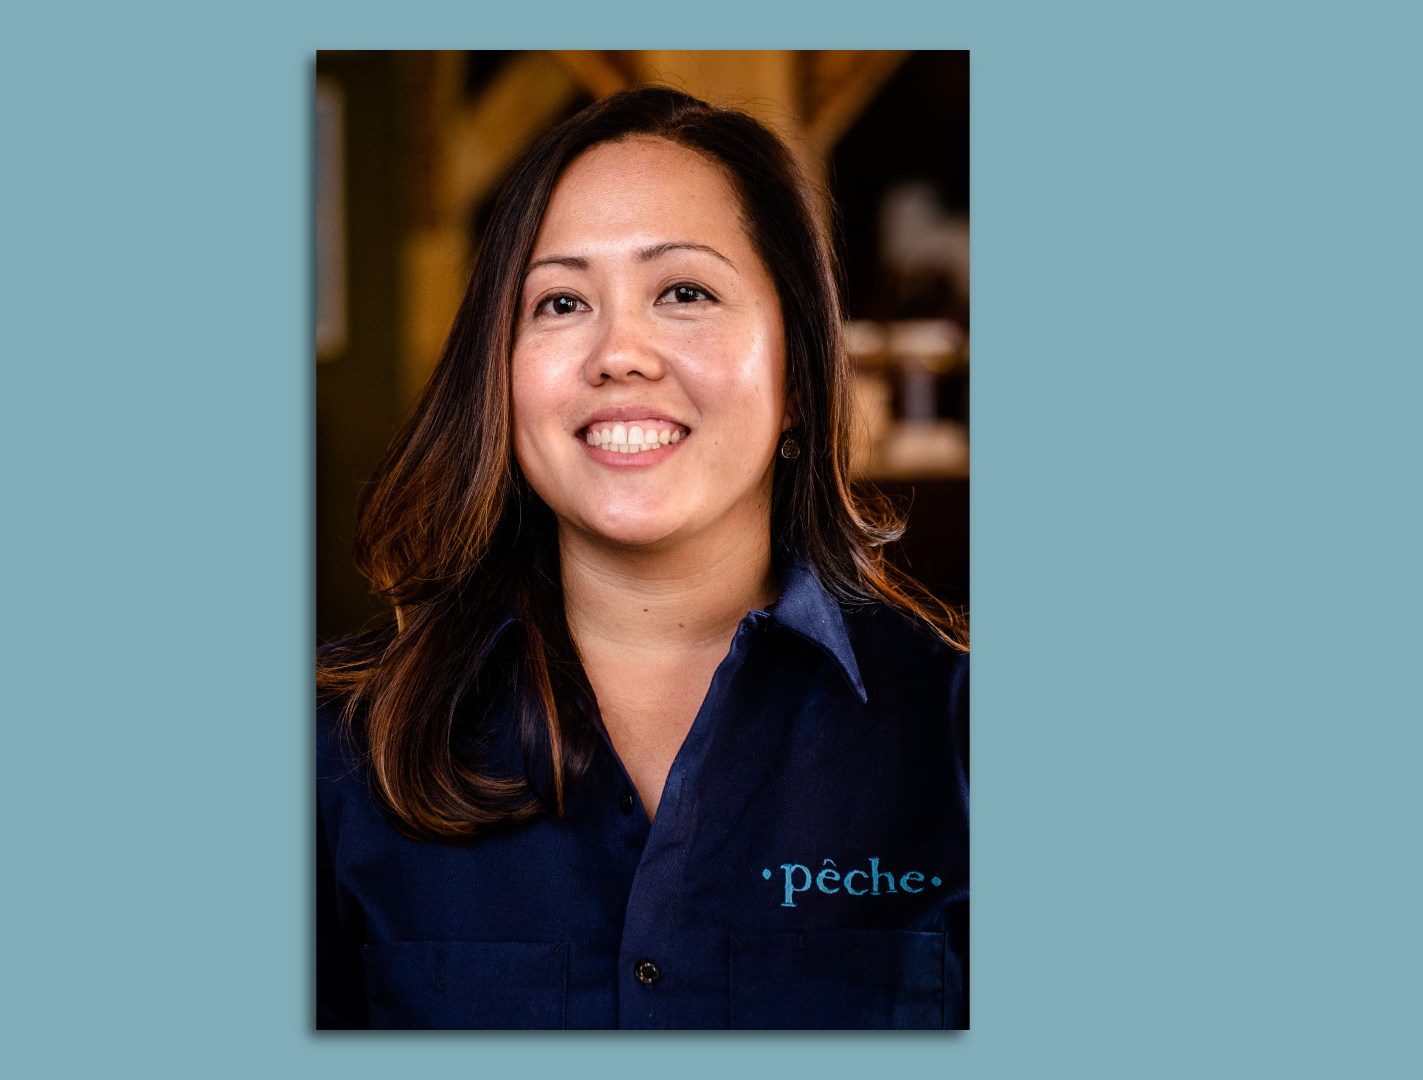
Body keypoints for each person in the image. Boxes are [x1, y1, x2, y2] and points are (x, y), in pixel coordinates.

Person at [316, 86, 968, 1030]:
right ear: (501, 378)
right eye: (562, 301)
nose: (619, 352)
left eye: (685, 292)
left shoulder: (961, 740)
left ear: (798, 372)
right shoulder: (334, 754)